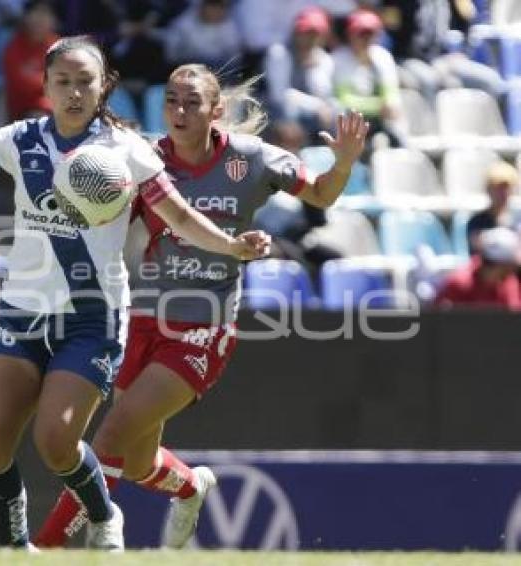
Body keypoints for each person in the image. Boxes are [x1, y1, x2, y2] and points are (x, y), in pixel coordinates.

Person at [0, 35, 271, 550]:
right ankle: (16, 552)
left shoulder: (127, 151)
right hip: (21, 311)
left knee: (55, 442)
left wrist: (232, 246)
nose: (74, 92)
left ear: (104, 87)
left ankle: (104, 514)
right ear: (46, 86)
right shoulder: (20, 139)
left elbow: (179, 217)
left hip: (89, 317)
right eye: (63, 82)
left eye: (85, 82)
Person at [35, 63, 368, 549]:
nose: (180, 110)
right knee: (138, 462)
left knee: (108, 440)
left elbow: (320, 193)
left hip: (201, 328)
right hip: (141, 320)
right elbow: (100, 220)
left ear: (216, 110)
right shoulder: (144, 160)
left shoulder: (250, 159)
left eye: (192, 101)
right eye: (171, 99)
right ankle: (191, 487)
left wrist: (342, 164)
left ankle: (36, 551)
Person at [332, 8, 406, 147]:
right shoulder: (339, 59)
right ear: (350, 35)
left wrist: (390, 105)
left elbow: (390, 92)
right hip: (352, 119)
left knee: (398, 123)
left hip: (380, 118)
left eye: (371, 34)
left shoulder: (383, 56)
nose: (366, 39)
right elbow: (344, 99)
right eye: (361, 34)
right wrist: (378, 106)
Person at [265, 6, 336, 144]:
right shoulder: (279, 53)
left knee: (337, 110)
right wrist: (317, 106)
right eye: (306, 33)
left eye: (315, 34)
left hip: (312, 114)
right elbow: (279, 95)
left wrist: (313, 71)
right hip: (277, 111)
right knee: (287, 111)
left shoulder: (324, 59)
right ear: (296, 32)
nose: (310, 39)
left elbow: (324, 95)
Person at [435, 226, 521, 310]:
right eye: (508, 267)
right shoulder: (458, 283)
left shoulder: (509, 283)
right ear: (496, 265)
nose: (511, 271)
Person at [2, 0, 59, 120]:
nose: (39, 18)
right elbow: (18, 82)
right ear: (25, 17)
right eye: (35, 12)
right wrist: (48, 81)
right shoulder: (14, 47)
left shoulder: (59, 46)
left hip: (56, 104)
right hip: (25, 108)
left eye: (45, 13)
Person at [165, 0, 242, 73]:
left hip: (220, 67)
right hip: (189, 67)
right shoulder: (182, 25)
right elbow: (171, 56)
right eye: (212, 7)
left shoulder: (230, 25)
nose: (216, 12)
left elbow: (235, 55)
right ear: (202, 7)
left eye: (220, 8)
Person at [467, 161, 521, 255]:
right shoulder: (477, 222)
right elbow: (477, 252)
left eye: (506, 188)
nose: (502, 193)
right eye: (497, 188)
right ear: (488, 190)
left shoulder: (518, 219)